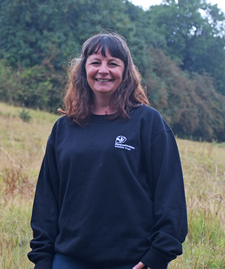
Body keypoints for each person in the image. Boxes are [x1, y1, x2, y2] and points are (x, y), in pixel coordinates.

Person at [27, 33, 188, 269]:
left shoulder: (148, 122)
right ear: (83, 70)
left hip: (134, 261)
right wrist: (42, 259)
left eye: (113, 63)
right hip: (69, 259)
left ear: (125, 72)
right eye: (95, 62)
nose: (103, 70)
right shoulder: (64, 128)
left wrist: (157, 256)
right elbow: (46, 199)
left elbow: (170, 193)